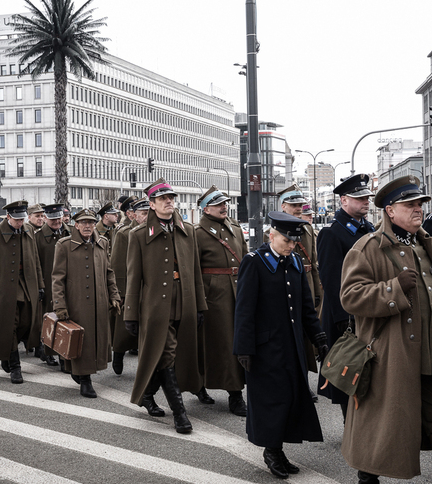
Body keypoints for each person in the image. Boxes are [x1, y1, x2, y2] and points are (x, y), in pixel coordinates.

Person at [340, 175, 432, 484]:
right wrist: (392, 290)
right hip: (392, 355)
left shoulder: (423, 241)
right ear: (390, 211)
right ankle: (367, 475)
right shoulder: (368, 247)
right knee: (383, 423)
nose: (418, 210)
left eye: (420, 204)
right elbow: (349, 297)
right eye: (410, 205)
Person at [234, 211, 328, 479]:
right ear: (271, 235)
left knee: (291, 398)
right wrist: (243, 347)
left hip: (292, 345)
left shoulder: (294, 261)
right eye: (286, 240)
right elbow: (244, 310)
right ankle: (271, 450)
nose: (291, 246)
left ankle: (278, 448)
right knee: (271, 401)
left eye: (294, 242)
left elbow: (306, 307)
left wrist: (318, 337)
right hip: (265, 347)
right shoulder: (255, 262)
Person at [124, 178, 207, 433]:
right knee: (168, 352)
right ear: (151, 204)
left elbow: (194, 270)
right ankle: (180, 414)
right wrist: (131, 314)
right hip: (156, 307)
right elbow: (133, 277)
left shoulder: (187, 230)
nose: (169, 202)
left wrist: (200, 305)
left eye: (171, 198)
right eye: (162, 199)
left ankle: (148, 394)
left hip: (185, 301)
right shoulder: (138, 235)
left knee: (171, 354)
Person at [316, 174, 375, 420]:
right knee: (347, 367)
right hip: (344, 313)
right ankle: (348, 421)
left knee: (367, 364)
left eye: (367, 197)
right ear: (344, 201)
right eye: (359, 198)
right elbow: (331, 279)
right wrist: (343, 315)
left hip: (368, 305)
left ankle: (362, 418)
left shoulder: (369, 228)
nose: (366, 202)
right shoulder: (332, 232)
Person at [51, 209, 121, 397]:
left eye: (91, 222)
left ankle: (81, 373)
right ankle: (85, 380)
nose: (88, 226)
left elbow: (109, 272)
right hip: (76, 303)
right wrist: (60, 305)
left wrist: (114, 296)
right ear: (76, 225)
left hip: (100, 303)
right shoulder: (64, 245)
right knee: (81, 342)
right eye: (84, 222)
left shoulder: (103, 243)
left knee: (95, 341)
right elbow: (58, 278)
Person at [195, 185, 249, 416]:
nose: (224, 207)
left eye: (224, 203)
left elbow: (245, 259)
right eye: (218, 204)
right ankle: (234, 394)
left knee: (239, 341)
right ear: (206, 209)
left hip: (238, 291)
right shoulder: (197, 233)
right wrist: (198, 301)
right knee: (221, 344)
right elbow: (193, 270)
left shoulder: (235, 228)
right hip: (214, 296)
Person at [0, 200, 45, 384]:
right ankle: (15, 366)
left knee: (26, 322)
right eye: (16, 219)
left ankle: (7, 354)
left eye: (22, 219)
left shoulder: (28, 230)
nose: (20, 222)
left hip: (27, 284)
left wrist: (40, 285)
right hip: (4, 288)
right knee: (10, 325)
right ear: (8, 217)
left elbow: (35, 260)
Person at [277, 184, 322, 398]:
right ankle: (290, 383)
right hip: (287, 286)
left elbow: (312, 262)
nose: (298, 208)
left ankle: (303, 381)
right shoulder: (276, 229)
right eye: (294, 205)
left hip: (306, 284)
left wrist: (317, 289)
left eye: (300, 204)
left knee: (305, 338)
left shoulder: (308, 229)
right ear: (284, 206)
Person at [34, 202, 68, 367]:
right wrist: (40, 285)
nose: (57, 222)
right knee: (49, 319)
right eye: (53, 219)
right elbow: (35, 263)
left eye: (59, 218)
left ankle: (63, 354)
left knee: (65, 318)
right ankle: (46, 349)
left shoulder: (70, 232)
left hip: (68, 284)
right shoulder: (37, 237)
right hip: (48, 284)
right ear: (46, 218)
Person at [108, 196, 139, 375]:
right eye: (141, 212)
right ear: (130, 214)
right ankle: (118, 352)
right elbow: (118, 264)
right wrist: (118, 292)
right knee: (122, 328)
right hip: (127, 285)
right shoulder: (123, 232)